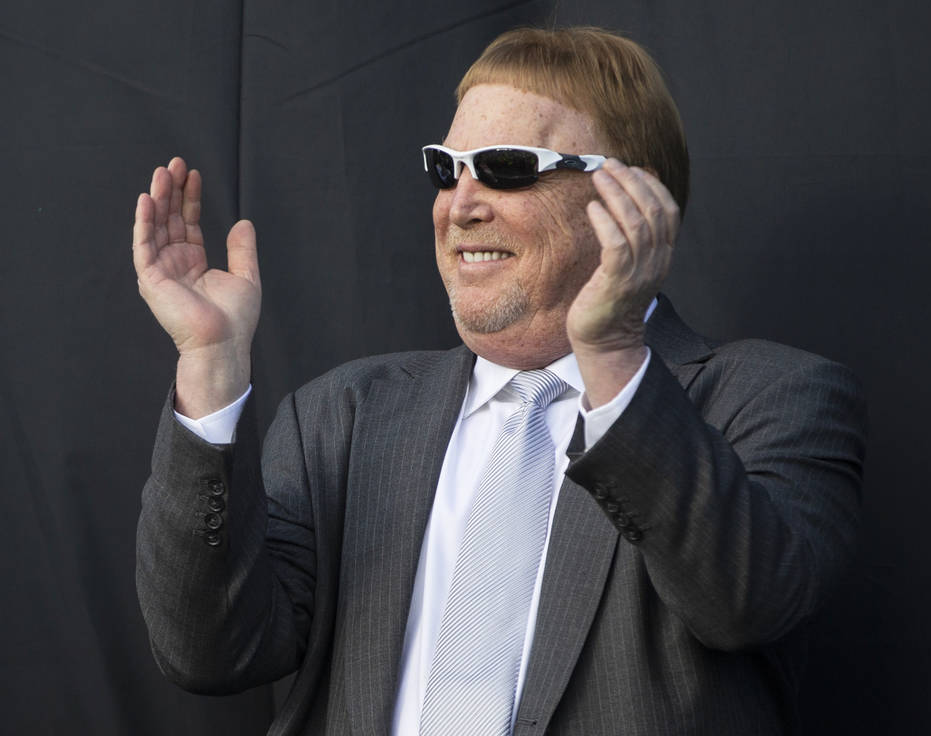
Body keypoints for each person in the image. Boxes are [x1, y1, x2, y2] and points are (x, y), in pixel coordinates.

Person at [133, 27, 866, 736]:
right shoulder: (344, 417)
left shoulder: (771, 397)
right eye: (446, 170)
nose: (461, 204)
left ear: (633, 202)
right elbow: (210, 648)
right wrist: (211, 363)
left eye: (508, 166)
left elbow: (746, 602)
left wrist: (611, 349)